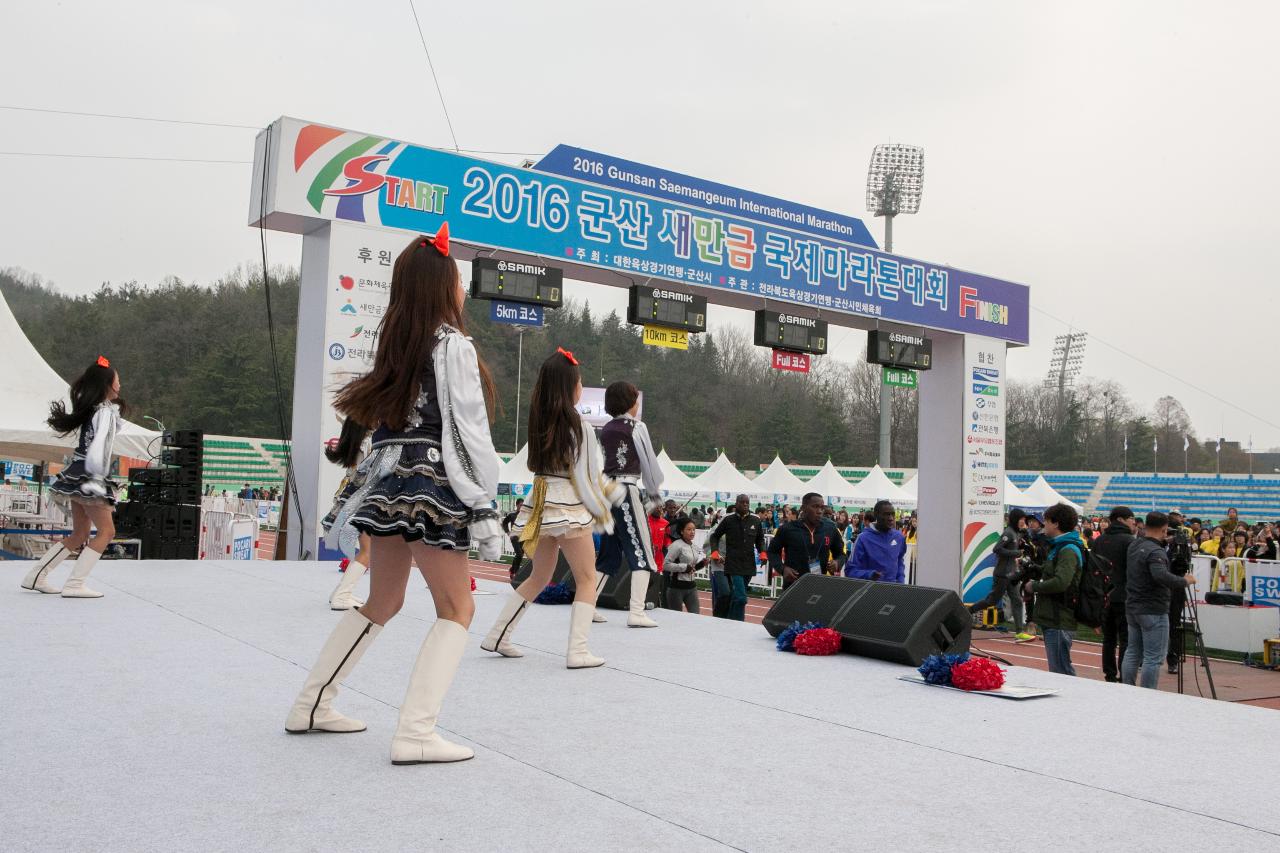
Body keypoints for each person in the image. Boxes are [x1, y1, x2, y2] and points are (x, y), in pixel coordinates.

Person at [288, 226, 503, 766]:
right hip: (433, 484)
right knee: (458, 605)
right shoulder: (452, 345)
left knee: (383, 600)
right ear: (443, 286)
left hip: (385, 485)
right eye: (457, 279)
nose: (462, 289)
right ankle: (416, 732)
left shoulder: (397, 345)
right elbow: (468, 429)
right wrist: (485, 502)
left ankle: (311, 703)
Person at [482, 347, 621, 669]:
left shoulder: (540, 420)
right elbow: (590, 476)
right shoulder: (580, 426)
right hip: (568, 505)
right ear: (570, 386)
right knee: (587, 577)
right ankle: (578, 651)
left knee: (540, 575)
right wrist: (615, 494)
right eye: (579, 381)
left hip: (541, 500)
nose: (581, 386)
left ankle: (498, 634)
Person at [21, 356, 124, 598]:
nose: (120, 385)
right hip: (91, 474)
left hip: (77, 471)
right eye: (118, 380)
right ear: (108, 385)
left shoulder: (93, 410)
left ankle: (36, 575)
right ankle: (75, 584)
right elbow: (102, 448)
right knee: (106, 532)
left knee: (79, 534)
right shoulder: (106, 412)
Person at [594, 380, 664, 628]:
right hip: (627, 490)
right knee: (641, 549)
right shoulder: (637, 427)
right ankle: (636, 611)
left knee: (609, 552)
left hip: (607, 490)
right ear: (631, 402)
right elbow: (649, 463)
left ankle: (587, 603)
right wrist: (655, 492)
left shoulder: (606, 428)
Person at [1123, 511, 1197, 689]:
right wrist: (1184, 581)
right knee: (1153, 657)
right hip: (1153, 608)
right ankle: (1148, 694)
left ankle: (1126, 689)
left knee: (1133, 651)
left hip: (1133, 605)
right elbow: (1161, 576)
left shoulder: (1134, 545)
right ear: (1164, 529)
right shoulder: (1156, 551)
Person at [1022, 503, 1084, 676]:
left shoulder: (1068, 549)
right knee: (1058, 670)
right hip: (1054, 617)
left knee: (1061, 672)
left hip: (1059, 618)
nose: (1044, 525)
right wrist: (1034, 568)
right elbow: (1053, 572)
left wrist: (1033, 586)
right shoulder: (1060, 546)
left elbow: (1061, 582)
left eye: (1046, 521)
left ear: (1056, 524)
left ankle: (1073, 702)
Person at [320, 417, 372, 610]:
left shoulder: (356, 443)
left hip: (351, 499)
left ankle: (341, 592)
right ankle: (342, 595)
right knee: (368, 551)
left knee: (366, 550)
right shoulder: (368, 443)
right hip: (362, 500)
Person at [1091, 506, 1137, 682]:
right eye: (1131, 518)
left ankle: (1109, 674)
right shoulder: (1129, 541)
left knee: (1108, 638)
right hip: (1124, 595)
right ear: (1121, 519)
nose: (1134, 521)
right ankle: (1125, 675)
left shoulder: (1100, 540)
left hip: (1104, 595)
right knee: (1126, 639)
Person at [966, 508, 1028, 635]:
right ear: (1016, 519)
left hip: (1011, 574)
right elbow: (996, 549)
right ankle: (968, 611)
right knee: (991, 601)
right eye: (1021, 519)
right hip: (1002, 574)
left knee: (1017, 600)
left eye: (1024, 520)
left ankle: (1019, 632)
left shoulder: (1016, 533)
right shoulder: (1009, 533)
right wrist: (1016, 553)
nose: (1023, 522)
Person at [768, 493, 845, 589]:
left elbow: (841, 554)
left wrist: (837, 563)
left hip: (820, 586)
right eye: (815, 507)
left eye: (822, 507)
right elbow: (772, 551)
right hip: (793, 586)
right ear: (803, 508)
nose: (819, 511)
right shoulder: (787, 529)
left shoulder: (830, 529)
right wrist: (782, 569)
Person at [707, 494, 765, 621]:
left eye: (747, 502)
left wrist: (763, 553)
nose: (745, 504)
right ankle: (739, 623)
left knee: (735, 596)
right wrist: (715, 551)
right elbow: (714, 536)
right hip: (733, 564)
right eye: (742, 502)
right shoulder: (728, 520)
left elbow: (760, 539)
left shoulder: (755, 520)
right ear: (736, 503)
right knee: (741, 598)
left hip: (749, 564)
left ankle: (725, 619)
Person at [844, 500, 906, 583]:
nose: (891, 518)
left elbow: (899, 561)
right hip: (869, 591)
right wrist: (869, 575)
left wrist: (901, 581)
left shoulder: (899, 537)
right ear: (876, 515)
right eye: (886, 514)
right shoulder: (863, 538)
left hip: (893, 591)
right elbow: (850, 570)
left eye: (892, 514)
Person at [664, 518, 705, 613]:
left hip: (692, 588)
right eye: (689, 529)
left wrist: (701, 564)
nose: (692, 532)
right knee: (676, 619)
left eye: (694, 529)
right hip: (676, 588)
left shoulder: (694, 546)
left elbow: (691, 568)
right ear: (682, 531)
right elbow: (665, 565)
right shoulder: (676, 545)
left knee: (696, 616)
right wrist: (684, 567)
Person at [501, 498, 525, 576]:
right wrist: (508, 532)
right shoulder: (512, 515)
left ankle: (512, 570)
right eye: (521, 505)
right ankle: (515, 572)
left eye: (523, 505)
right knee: (519, 554)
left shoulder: (526, 515)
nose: (522, 507)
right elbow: (504, 523)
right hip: (514, 537)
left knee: (520, 555)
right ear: (517, 505)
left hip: (523, 537)